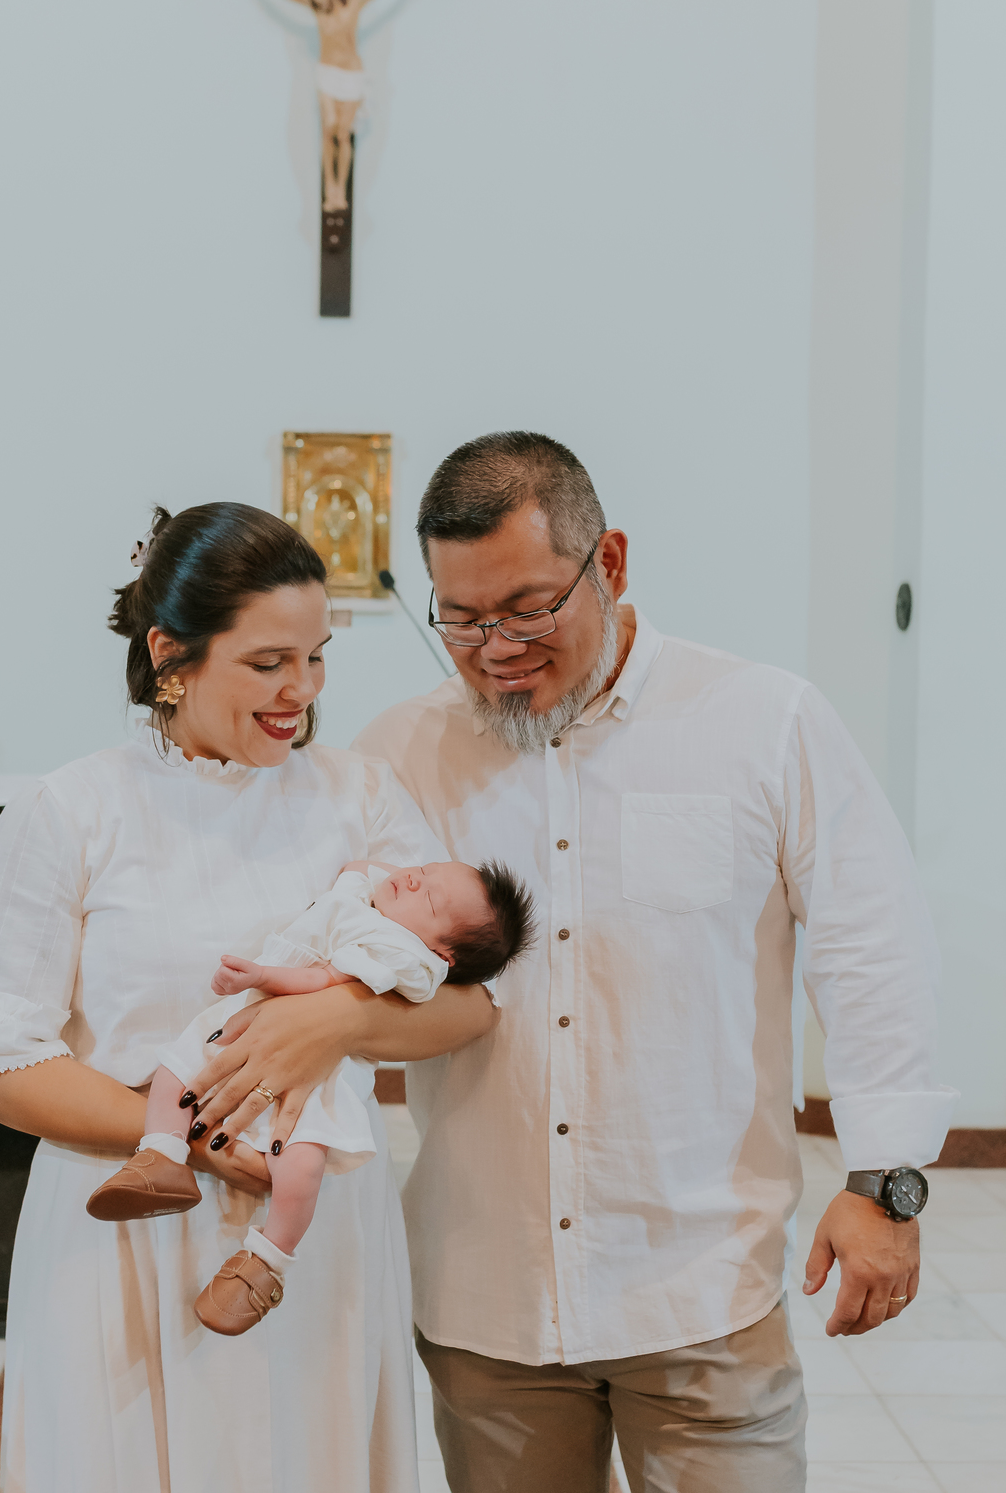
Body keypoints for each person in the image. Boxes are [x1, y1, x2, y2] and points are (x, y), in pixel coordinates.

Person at [352, 432, 959, 1493]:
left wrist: (885, 1185)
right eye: (460, 618)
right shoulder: (401, 753)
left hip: (701, 1292)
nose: (495, 646)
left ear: (613, 563)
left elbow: (874, 947)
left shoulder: (762, 724)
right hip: (486, 1305)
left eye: (530, 607)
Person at [0, 501, 497, 1493]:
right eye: (268, 663)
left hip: (309, 1236)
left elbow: (470, 1004)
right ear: (171, 654)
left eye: (316, 659)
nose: (301, 694)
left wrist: (339, 1020)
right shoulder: (74, 810)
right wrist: (195, 1142)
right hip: (129, 1226)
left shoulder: (359, 797)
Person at [87, 856, 533, 1337]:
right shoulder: (371, 900)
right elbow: (368, 867)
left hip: (317, 1065)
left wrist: (259, 976)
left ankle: (266, 1261)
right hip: (246, 1017)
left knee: (300, 1163)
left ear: (442, 954)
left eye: (429, 896)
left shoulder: (399, 952)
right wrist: (379, 873)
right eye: (423, 870)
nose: (411, 878)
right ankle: (160, 1157)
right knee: (176, 1071)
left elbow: (321, 981)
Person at [236, 0, 429, 212]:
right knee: (328, 129)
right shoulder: (315, 11)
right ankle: (331, 189)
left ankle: (341, 188)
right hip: (327, 73)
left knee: (343, 132)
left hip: (351, 75)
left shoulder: (354, 2)